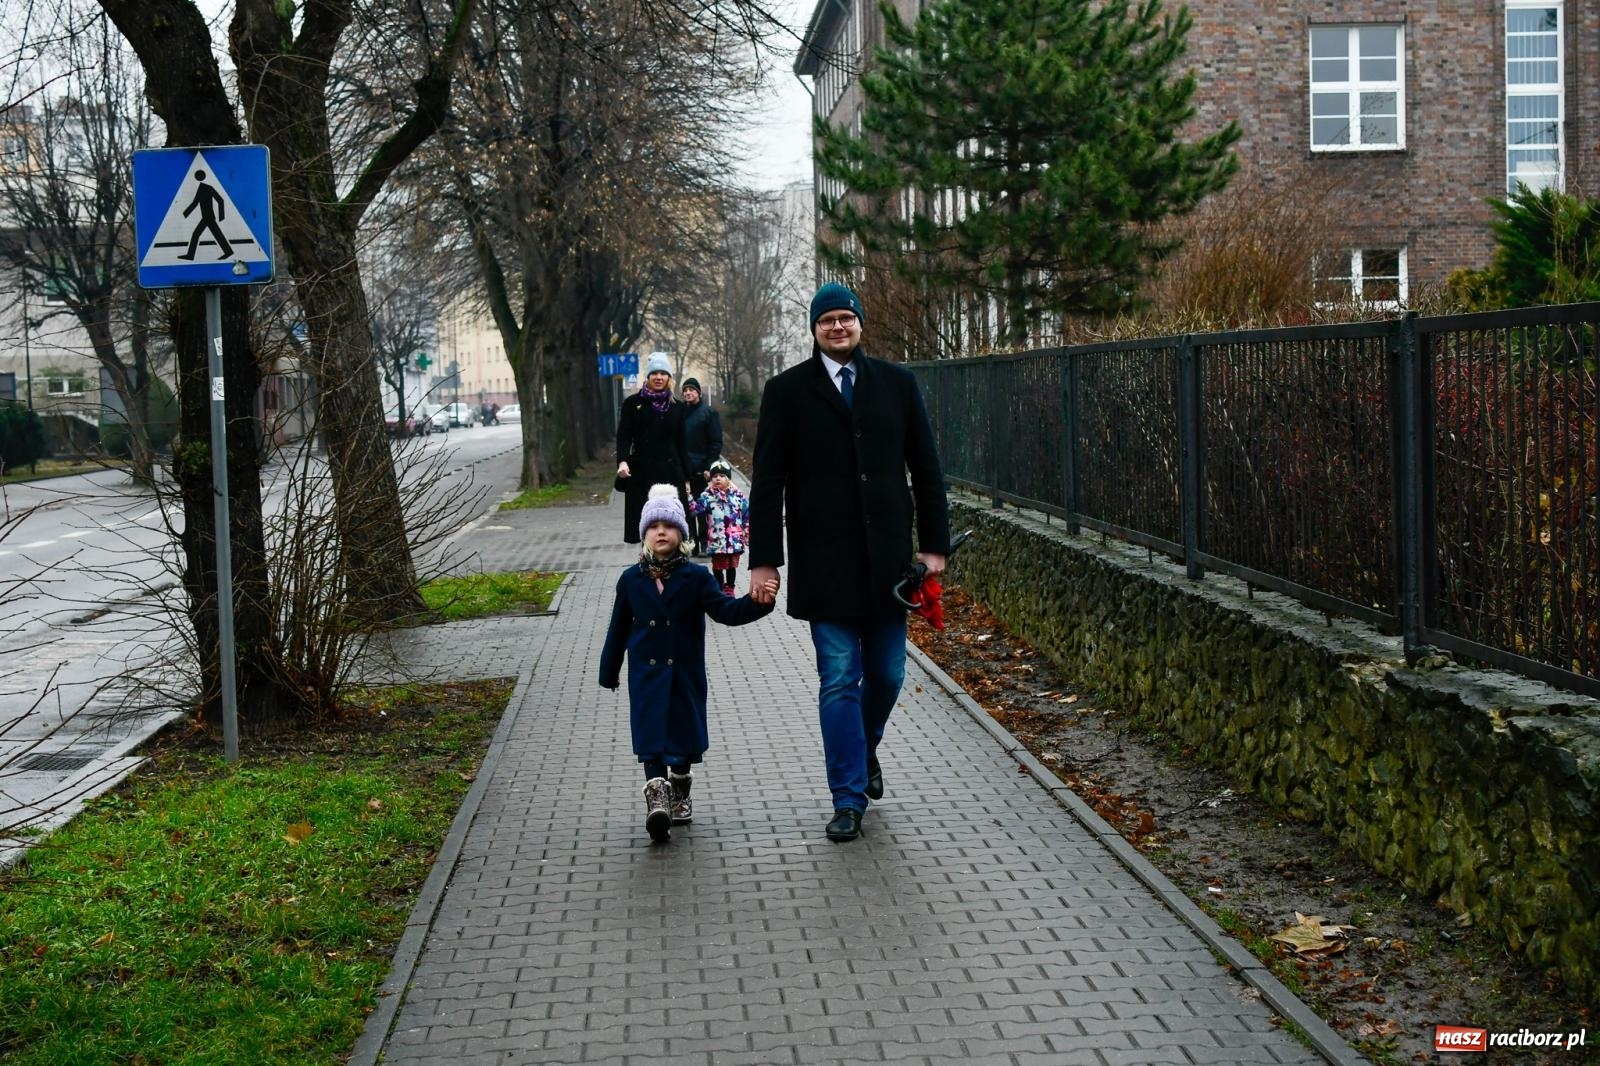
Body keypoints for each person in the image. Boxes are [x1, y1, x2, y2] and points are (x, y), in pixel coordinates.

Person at [748, 282, 949, 843]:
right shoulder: (786, 392)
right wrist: (764, 560)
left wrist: (934, 547)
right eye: (826, 320)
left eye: (845, 318)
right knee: (839, 678)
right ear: (813, 329)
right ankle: (847, 797)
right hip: (823, 563)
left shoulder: (898, 385)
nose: (837, 327)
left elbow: (927, 469)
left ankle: (863, 752)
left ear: (860, 324)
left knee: (888, 674)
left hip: (889, 567)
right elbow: (766, 483)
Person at [599, 485, 777, 841]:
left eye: (668, 525)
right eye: (653, 526)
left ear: (681, 534)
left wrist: (759, 603)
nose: (660, 531)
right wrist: (609, 670)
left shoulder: (696, 578)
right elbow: (618, 627)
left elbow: (724, 611)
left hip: (684, 673)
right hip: (647, 675)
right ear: (644, 535)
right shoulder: (631, 580)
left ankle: (679, 787)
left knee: (681, 744)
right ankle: (657, 801)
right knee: (651, 740)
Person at [616, 353, 692, 545]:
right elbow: (624, 436)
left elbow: (682, 443)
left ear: (669, 378)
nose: (659, 377)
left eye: (663, 373)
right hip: (643, 473)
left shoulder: (677, 407)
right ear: (648, 377)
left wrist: (688, 478)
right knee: (646, 526)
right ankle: (649, 568)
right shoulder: (633, 404)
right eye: (654, 373)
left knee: (673, 524)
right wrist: (623, 461)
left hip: (671, 474)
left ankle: (672, 568)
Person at [689, 459, 749, 596]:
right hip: (717, 540)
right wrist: (689, 497)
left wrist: (747, 532)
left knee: (731, 566)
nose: (718, 479)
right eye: (715, 476)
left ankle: (730, 588)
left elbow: (746, 514)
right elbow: (695, 510)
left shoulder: (738, 496)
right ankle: (719, 588)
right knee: (718, 566)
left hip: (734, 540)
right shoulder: (707, 496)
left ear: (728, 479)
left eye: (722, 476)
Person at [680, 377, 723, 553]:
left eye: (691, 390)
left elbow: (715, 441)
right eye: (685, 390)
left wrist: (709, 466)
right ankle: (692, 543)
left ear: (698, 392)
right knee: (686, 507)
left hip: (702, 468)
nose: (688, 393)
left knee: (703, 507)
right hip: (684, 467)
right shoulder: (680, 413)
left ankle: (705, 542)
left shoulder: (708, 413)